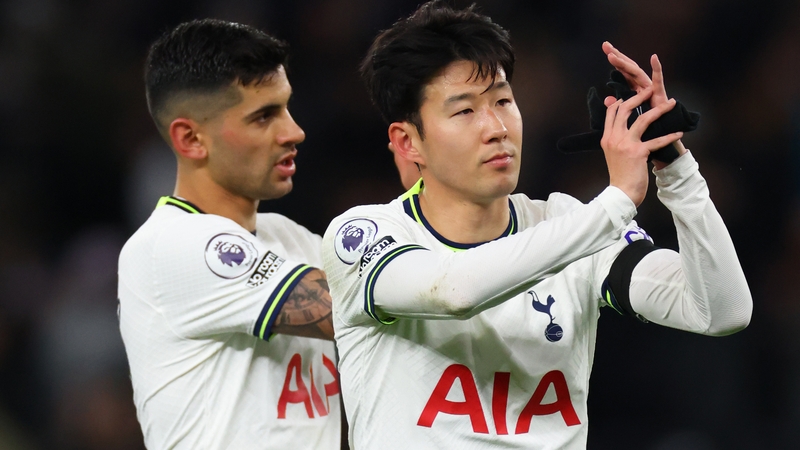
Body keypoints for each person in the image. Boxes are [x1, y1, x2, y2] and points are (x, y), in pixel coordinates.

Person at [321, 2, 752, 448]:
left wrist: (675, 169)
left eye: (503, 101)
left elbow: (721, 311)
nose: (496, 127)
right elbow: (454, 291)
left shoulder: (567, 224)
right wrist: (616, 200)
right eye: (464, 111)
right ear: (408, 142)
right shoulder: (365, 235)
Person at [117, 19, 341, 449]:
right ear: (191, 138)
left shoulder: (291, 240)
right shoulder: (170, 245)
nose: (294, 132)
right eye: (263, 117)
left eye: (287, 107)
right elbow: (351, 307)